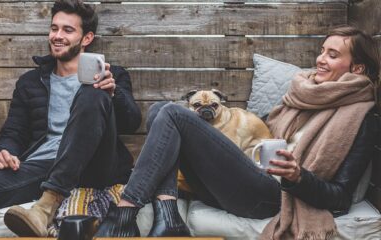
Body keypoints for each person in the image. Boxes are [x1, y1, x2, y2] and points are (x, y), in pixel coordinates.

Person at [94, 26, 380, 239]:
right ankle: (168, 214)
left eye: (332, 55)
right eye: (322, 51)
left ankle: (125, 211)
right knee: (159, 111)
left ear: (356, 67)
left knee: (171, 113)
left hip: (271, 195)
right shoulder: (304, 94)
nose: (320, 59)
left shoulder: (360, 116)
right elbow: (263, 127)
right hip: (243, 179)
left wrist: (298, 177)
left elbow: (341, 197)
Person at [0, 0, 141, 237]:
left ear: (86, 38)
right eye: (54, 28)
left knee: (93, 92)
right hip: (42, 168)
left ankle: (47, 204)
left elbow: (132, 122)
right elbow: (14, 133)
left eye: (67, 30)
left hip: (94, 165)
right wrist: (1, 153)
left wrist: (113, 93)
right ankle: (51, 192)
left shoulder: (112, 75)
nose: (57, 35)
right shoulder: (30, 82)